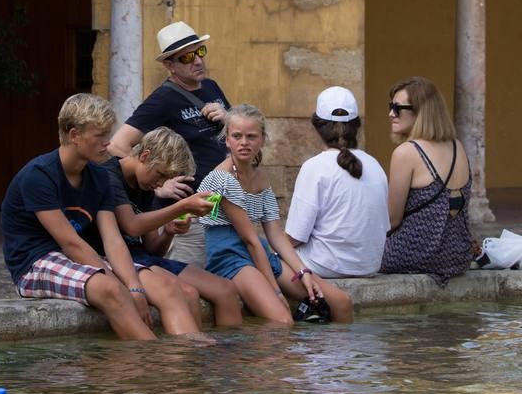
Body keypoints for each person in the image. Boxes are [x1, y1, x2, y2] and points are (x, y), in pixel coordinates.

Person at [1, 93, 157, 342]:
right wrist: (120, 286)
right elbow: (70, 242)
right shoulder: (38, 175)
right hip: (34, 262)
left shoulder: (99, 175)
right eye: (100, 135)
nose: (108, 142)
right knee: (112, 289)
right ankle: (153, 366)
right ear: (74, 135)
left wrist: (134, 286)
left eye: (109, 134)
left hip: (74, 258)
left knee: (160, 285)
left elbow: (113, 239)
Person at [197, 104, 353, 324]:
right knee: (282, 320)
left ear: (262, 139)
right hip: (229, 257)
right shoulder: (222, 178)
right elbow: (249, 239)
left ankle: (329, 358)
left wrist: (303, 271)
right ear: (227, 139)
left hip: (260, 253)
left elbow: (276, 235)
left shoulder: (261, 177)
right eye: (237, 136)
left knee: (341, 302)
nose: (244, 142)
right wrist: (276, 291)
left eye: (251, 136)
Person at [108, 21, 230, 265]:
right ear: (169, 65)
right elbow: (117, 145)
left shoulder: (211, 86)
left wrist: (229, 118)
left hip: (223, 204)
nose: (197, 61)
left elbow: (238, 137)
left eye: (200, 52)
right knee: (196, 278)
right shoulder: (162, 99)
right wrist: (157, 185)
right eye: (186, 57)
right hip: (189, 211)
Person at [101, 127, 243, 327]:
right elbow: (131, 226)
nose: (160, 184)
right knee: (188, 293)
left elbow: (153, 249)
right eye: (160, 175)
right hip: (116, 259)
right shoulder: (109, 176)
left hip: (144, 257)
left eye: (166, 179)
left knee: (225, 289)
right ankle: (188, 355)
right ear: (144, 155)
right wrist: (183, 206)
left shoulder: (146, 183)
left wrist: (168, 232)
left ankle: (228, 357)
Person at [285, 86, 389, 277]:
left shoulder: (314, 167)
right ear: (356, 125)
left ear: (317, 126)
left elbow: (294, 237)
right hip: (369, 265)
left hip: (326, 266)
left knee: (265, 254)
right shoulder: (375, 165)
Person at [380, 76, 473, 286]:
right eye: (390, 106)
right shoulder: (458, 146)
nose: (390, 113)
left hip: (416, 254)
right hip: (457, 256)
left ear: (421, 111)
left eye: (397, 107)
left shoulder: (407, 152)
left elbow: (391, 221)